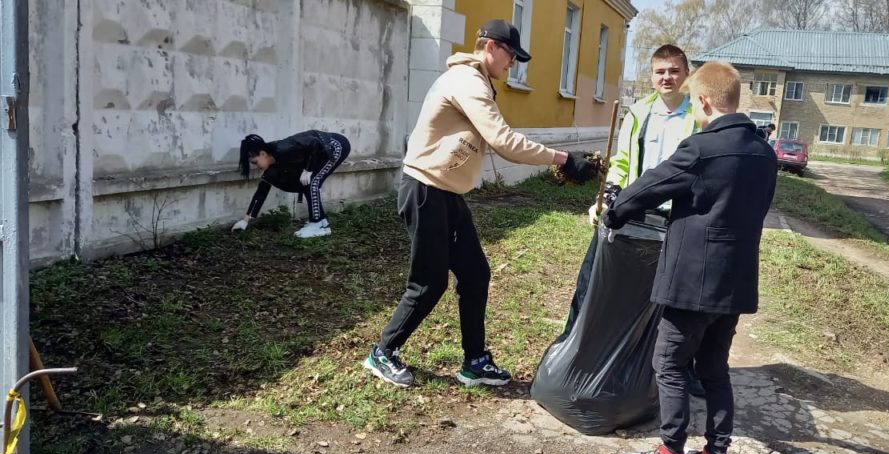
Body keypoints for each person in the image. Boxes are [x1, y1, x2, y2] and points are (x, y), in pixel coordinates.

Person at [363, 19, 597, 388]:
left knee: (475, 273)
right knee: (429, 282)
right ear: (491, 47)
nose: (513, 64)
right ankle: (383, 352)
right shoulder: (466, 82)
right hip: (425, 190)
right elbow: (503, 140)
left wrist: (562, 159)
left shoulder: (478, 82)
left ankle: (474, 361)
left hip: (447, 194)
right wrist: (563, 159)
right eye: (511, 56)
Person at [607, 61, 778, 454]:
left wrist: (615, 210)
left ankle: (670, 451)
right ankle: (715, 453)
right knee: (714, 369)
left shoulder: (701, 148)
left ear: (703, 101)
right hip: (735, 282)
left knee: (667, 363)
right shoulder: (764, 154)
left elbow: (652, 185)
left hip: (691, 283)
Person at [564, 44, 706, 396]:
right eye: (660, 71)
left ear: (685, 74)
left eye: (674, 70)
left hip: (678, 218)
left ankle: (677, 370)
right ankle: (576, 352)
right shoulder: (639, 113)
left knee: (674, 301)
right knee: (608, 285)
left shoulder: (698, 118)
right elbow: (623, 163)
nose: (667, 77)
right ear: (651, 76)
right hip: (638, 215)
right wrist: (610, 199)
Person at [233, 130, 351, 238]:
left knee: (312, 182)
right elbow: (261, 192)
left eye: (255, 162)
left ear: (263, 153)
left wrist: (308, 170)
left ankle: (316, 224)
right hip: (322, 151)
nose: (256, 166)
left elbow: (314, 143)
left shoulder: (282, 148)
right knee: (307, 182)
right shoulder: (272, 167)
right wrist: (245, 221)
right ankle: (322, 222)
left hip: (335, 145)